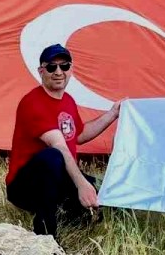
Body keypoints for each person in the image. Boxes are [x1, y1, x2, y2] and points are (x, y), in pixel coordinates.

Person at [6, 44, 122, 239]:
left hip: (55, 179)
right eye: (51, 67)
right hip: (24, 186)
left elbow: (78, 136)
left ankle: (75, 216)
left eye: (64, 66)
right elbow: (59, 145)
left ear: (71, 69)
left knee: (106, 194)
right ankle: (45, 237)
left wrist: (112, 114)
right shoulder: (32, 102)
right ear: (41, 71)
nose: (58, 72)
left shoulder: (67, 100)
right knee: (53, 157)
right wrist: (81, 184)